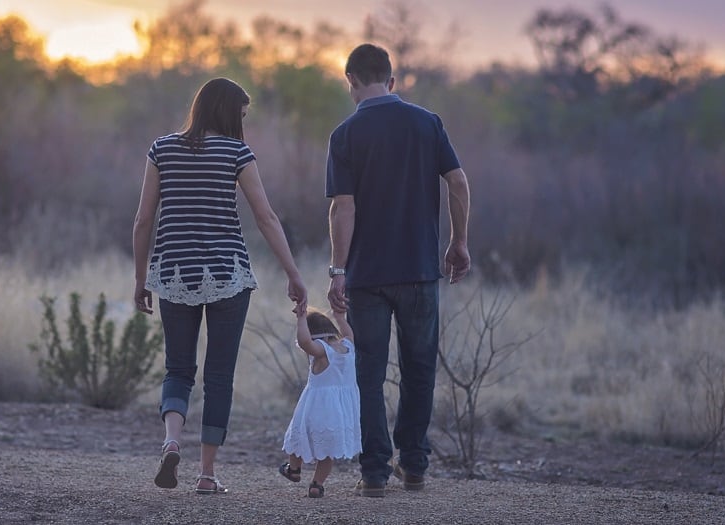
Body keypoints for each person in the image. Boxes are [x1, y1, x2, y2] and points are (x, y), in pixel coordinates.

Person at [132, 77, 307, 495]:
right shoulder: (236, 152)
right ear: (229, 113)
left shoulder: (162, 149)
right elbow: (266, 218)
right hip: (228, 274)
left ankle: (172, 440)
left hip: (174, 273)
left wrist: (141, 279)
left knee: (178, 368)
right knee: (219, 376)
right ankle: (207, 475)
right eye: (242, 115)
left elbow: (142, 220)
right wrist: (293, 273)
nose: (243, 124)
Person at [325, 43, 472, 497]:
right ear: (392, 80)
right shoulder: (427, 123)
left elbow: (342, 209)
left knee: (368, 373)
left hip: (367, 276)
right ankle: (414, 465)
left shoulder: (345, 134)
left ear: (350, 82)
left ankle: (373, 473)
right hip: (420, 270)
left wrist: (337, 269)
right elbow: (458, 182)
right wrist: (459, 242)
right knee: (419, 369)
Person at [278, 307, 361, 498]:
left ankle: (294, 469)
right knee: (327, 451)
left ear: (315, 335)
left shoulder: (322, 351)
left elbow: (305, 342)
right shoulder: (348, 346)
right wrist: (340, 317)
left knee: (298, 439)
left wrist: (300, 319)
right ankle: (317, 484)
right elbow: (348, 332)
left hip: (316, 409)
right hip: (340, 413)